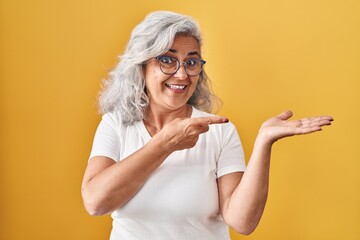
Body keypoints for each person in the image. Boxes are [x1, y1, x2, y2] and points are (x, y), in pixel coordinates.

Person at [81, 11, 333, 240]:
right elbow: (95, 203)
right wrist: (163, 144)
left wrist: (264, 142)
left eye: (191, 62)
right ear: (142, 66)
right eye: (168, 60)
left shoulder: (219, 132)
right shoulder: (115, 125)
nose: (181, 75)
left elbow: (242, 222)